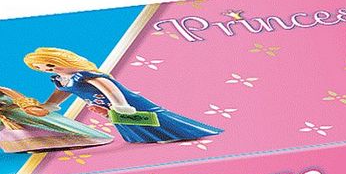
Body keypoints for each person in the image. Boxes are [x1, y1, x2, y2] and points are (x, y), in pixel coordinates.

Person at [23, 47, 224, 144]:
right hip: (105, 105)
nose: (48, 70)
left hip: (123, 101)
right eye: (42, 68)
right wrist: (49, 105)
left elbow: (109, 87)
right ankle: (149, 138)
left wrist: (120, 104)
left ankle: (181, 133)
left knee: (153, 117)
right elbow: (61, 92)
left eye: (51, 65)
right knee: (127, 123)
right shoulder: (61, 79)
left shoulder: (85, 75)